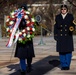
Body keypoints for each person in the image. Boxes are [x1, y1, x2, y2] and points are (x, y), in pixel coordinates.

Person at [14, 4, 35, 75]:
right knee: (21, 54)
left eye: (24, 10)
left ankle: (29, 65)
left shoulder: (30, 17)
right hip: (20, 37)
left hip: (28, 38)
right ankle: (23, 68)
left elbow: (33, 25)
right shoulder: (17, 18)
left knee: (29, 54)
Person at [54, 4, 76, 70]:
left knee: (68, 51)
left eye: (64, 9)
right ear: (60, 10)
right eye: (62, 9)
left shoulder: (70, 16)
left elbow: (73, 24)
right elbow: (55, 27)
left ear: (67, 10)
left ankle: (67, 65)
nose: (63, 10)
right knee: (61, 51)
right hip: (60, 36)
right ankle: (63, 65)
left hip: (68, 35)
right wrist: (55, 35)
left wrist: (72, 28)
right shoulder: (57, 17)